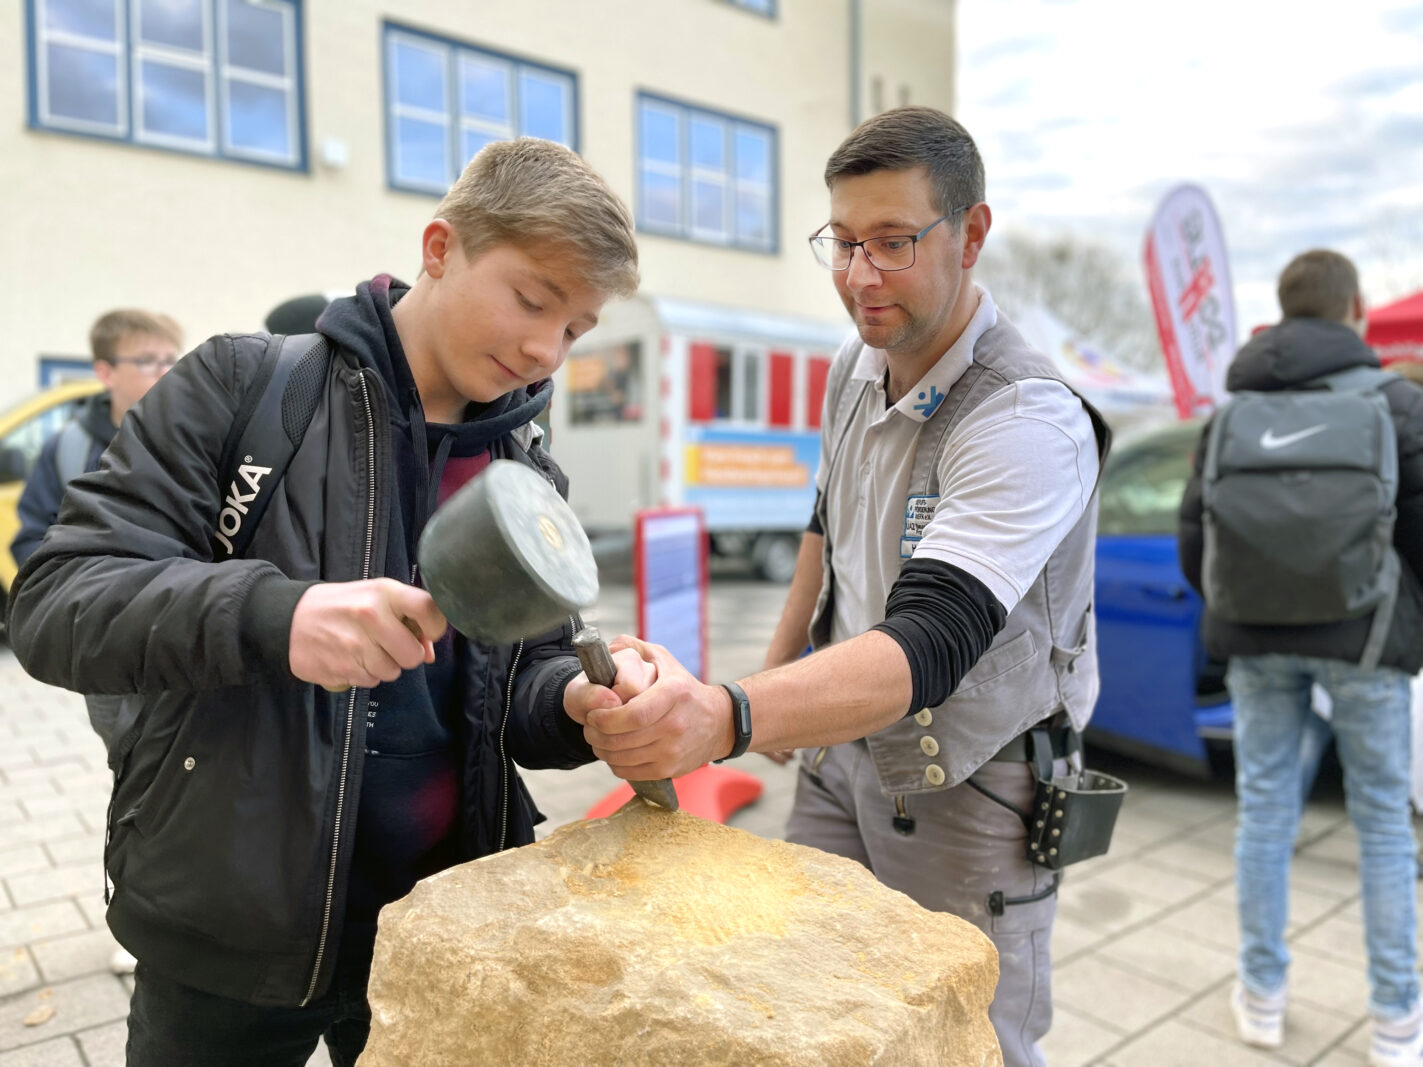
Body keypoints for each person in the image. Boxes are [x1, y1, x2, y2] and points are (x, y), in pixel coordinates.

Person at [6, 138, 647, 1067]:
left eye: (576, 329)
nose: (543, 349)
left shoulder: (520, 461)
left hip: (440, 931)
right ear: (440, 247)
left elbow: (518, 680)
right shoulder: (243, 384)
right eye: (532, 298)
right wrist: (277, 616)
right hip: (229, 932)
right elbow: (57, 603)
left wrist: (579, 701)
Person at [568, 106, 1110, 1066]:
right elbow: (825, 524)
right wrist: (776, 684)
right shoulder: (853, 368)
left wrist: (729, 713)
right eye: (843, 242)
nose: (860, 276)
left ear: (971, 234)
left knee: (965, 1040)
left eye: (894, 242)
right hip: (840, 757)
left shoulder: (1028, 417)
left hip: (971, 785)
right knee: (815, 1014)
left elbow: (934, 637)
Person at [1179, 249, 1423, 1062]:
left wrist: (1247, 606)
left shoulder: (1229, 416)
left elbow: (1193, 541)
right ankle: (1395, 1023)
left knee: (1265, 816)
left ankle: (1261, 997)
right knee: (1384, 825)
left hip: (1253, 643)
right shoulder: (1396, 404)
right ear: (1353, 308)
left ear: (1281, 313)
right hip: (1365, 642)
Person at [10, 308, 183, 978]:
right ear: (105, 371)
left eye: (174, 357)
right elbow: (33, 548)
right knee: (136, 780)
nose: (167, 371)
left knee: (199, 775)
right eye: (150, 361)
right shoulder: (68, 451)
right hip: (113, 660)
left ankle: (194, 912)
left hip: (189, 646)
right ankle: (137, 919)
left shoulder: (194, 432)